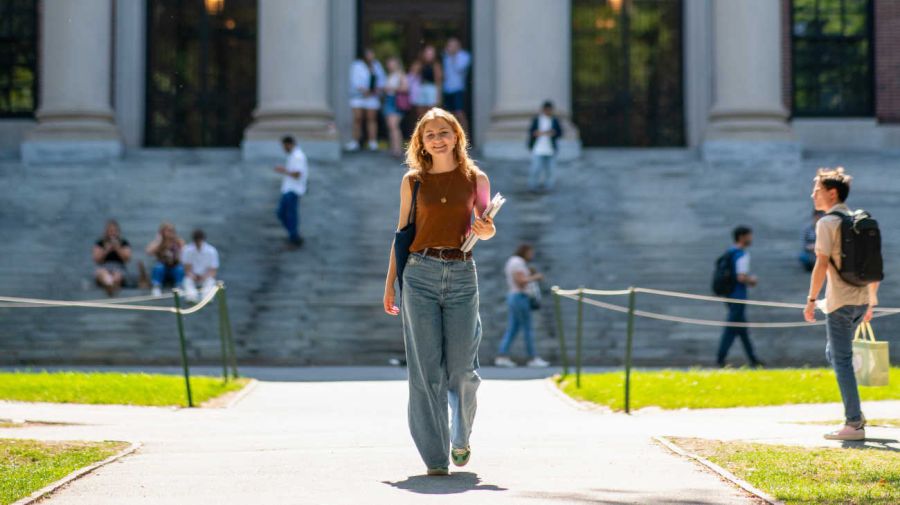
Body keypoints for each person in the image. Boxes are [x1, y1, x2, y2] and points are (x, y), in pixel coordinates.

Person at [383, 108, 496, 476]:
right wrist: (390, 285)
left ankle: (460, 436)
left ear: (457, 136)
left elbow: (487, 227)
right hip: (419, 275)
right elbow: (402, 236)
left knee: (463, 369)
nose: (437, 138)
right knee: (425, 371)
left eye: (444, 132)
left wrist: (484, 229)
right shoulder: (412, 181)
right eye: (429, 134)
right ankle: (435, 458)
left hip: (463, 274)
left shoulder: (475, 178)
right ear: (420, 142)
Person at [804, 167, 880, 441]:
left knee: (842, 359)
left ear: (831, 193)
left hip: (839, 303)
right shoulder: (858, 220)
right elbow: (874, 263)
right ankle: (855, 412)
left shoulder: (827, 223)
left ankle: (853, 423)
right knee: (836, 355)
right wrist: (871, 299)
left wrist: (811, 300)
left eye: (817, 189)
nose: (813, 194)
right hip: (860, 300)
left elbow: (821, 264)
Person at [716, 226, 763, 368]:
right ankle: (720, 357)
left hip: (730, 293)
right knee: (732, 328)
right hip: (738, 295)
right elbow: (741, 277)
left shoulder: (730, 252)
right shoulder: (741, 254)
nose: (751, 238)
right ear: (742, 237)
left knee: (742, 329)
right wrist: (752, 280)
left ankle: (753, 359)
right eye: (749, 236)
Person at [494, 244, 549, 368]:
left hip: (514, 296)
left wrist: (529, 273)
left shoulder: (512, 261)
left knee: (513, 329)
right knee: (528, 329)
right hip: (520, 297)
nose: (531, 255)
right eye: (530, 252)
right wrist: (536, 277)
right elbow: (521, 281)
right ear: (525, 251)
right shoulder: (518, 262)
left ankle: (502, 356)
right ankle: (532, 358)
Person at [347, 48, 385, 152]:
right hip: (358, 96)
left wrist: (376, 89)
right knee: (357, 118)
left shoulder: (377, 66)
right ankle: (355, 141)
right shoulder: (357, 65)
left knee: (371, 119)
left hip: (372, 97)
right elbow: (354, 81)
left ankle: (372, 141)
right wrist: (363, 90)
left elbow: (381, 80)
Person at [275, 136, 309, 248]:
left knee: (289, 214)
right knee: (283, 213)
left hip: (293, 189)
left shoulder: (298, 156)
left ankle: (294, 236)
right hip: (289, 189)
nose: (283, 148)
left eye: (284, 146)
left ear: (288, 144)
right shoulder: (294, 155)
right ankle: (293, 235)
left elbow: (297, 174)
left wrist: (283, 170)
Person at [527, 100, 563, 193]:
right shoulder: (537, 120)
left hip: (550, 149)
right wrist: (537, 133)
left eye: (550, 110)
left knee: (550, 170)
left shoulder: (555, 120)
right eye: (546, 110)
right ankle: (532, 186)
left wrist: (553, 133)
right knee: (535, 169)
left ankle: (549, 187)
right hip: (538, 149)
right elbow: (531, 132)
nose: (548, 111)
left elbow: (560, 133)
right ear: (543, 110)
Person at [92, 220, 132, 296]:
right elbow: (96, 260)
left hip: (119, 267)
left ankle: (111, 285)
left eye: (114, 231)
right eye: (110, 231)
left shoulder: (124, 243)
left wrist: (118, 248)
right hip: (104, 267)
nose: (112, 233)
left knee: (117, 275)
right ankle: (109, 283)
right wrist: (106, 250)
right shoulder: (100, 243)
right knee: (102, 273)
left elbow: (127, 259)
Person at [146, 222, 185, 297]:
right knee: (158, 267)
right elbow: (149, 251)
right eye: (168, 230)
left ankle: (179, 286)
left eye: (172, 230)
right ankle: (156, 287)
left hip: (174, 267)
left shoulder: (178, 242)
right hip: (163, 268)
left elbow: (184, 253)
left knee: (179, 269)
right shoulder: (159, 243)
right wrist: (159, 240)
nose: (171, 233)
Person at [181, 229, 219, 303]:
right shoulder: (187, 250)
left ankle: (206, 298)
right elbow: (187, 268)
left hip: (206, 276)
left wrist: (204, 277)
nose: (198, 243)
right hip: (193, 276)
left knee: (211, 281)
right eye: (196, 240)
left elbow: (213, 270)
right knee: (187, 281)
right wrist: (192, 276)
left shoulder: (212, 251)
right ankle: (192, 297)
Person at [442, 37, 471, 134]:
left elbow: (459, 68)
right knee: (449, 115)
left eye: (452, 46)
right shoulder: (446, 57)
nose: (450, 48)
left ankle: (466, 136)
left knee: (459, 113)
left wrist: (454, 56)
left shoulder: (464, 56)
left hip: (458, 89)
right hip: (447, 89)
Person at [383, 56, 409, 157]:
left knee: (394, 126)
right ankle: (394, 148)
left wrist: (392, 88)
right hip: (389, 100)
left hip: (395, 101)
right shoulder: (389, 75)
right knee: (391, 126)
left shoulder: (400, 75)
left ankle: (397, 149)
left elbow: (406, 88)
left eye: (391, 62)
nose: (389, 65)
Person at [413, 46, 442, 119]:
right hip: (422, 88)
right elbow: (413, 73)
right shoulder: (420, 64)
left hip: (431, 88)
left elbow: (438, 80)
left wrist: (438, 94)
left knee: (432, 112)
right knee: (420, 111)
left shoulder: (436, 65)